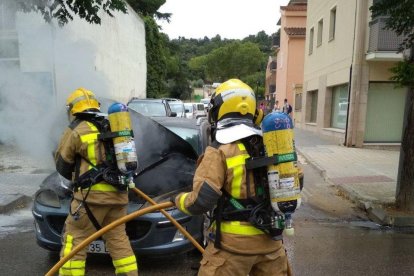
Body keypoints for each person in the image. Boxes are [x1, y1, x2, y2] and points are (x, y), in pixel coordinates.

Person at [173, 79, 289, 275]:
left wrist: (177, 200)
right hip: (272, 247)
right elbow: (295, 182)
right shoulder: (272, 144)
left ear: (219, 110)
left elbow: (201, 202)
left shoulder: (220, 150)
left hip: (232, 250)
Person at [55, 88, 138, 276]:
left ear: (73, 109)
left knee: (74, 239)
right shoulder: (110, 124)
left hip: (91, 198)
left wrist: (77, 179)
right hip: (118, 195)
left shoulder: (77, 129)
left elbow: (62, 163)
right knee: (118, 240)